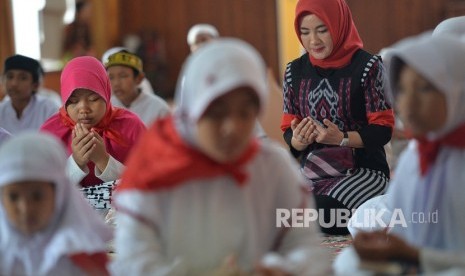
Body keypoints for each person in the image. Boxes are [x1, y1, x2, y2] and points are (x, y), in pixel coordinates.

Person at [110, 38, 331, 275]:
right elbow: (133, 262)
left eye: (245, 113)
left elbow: (304, 244)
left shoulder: (271, 167)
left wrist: (284, 269)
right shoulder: (154, 171)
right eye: (216, 113)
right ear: (192, 110)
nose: (232, 128)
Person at [334, 32, 465, 275]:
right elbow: (401, 223)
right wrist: (385, 245)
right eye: (402, 90)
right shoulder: (415, 158)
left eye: (424, 89)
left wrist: (415, 255)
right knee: (348, 263)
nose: (408, 104)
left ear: (456, 90)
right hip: (417, 264)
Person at [281, 0, 394, 235]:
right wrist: (298, 141)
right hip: (312, 171)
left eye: (322, 30)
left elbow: (382, 130)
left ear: (339, 25)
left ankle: (374, 210)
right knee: (275, 209)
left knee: (319, 214)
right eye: (305, 32)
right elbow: (288, 132)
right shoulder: (294, 71)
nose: (313, 40)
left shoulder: (368, 67)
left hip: (363, 171)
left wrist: (342, 138)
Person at [0, 131, 112, 275]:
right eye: (13, 197)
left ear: (60, 194)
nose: (25, 208)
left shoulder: (85, 259)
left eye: (37, 196)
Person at [40, 56, 146, 190]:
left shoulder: (130, 126)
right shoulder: (51, 132)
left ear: (106, 94)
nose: (84, 109)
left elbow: (148, 182)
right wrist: (76, 162)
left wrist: (103, 160)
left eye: (93, 99)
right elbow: (44, 189)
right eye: (73, 101)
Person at [102, 48, 171, 126]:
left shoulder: (159, 109)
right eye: (111, 77)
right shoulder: (105, 109)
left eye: (123, 76)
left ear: (139, 78)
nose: (116, 83)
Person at [0, 55, 59, 134]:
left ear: (35, 85)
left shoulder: (48, 108)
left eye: (23, 78)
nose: (14, 83)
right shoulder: (1, 110)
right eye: (10, 77)